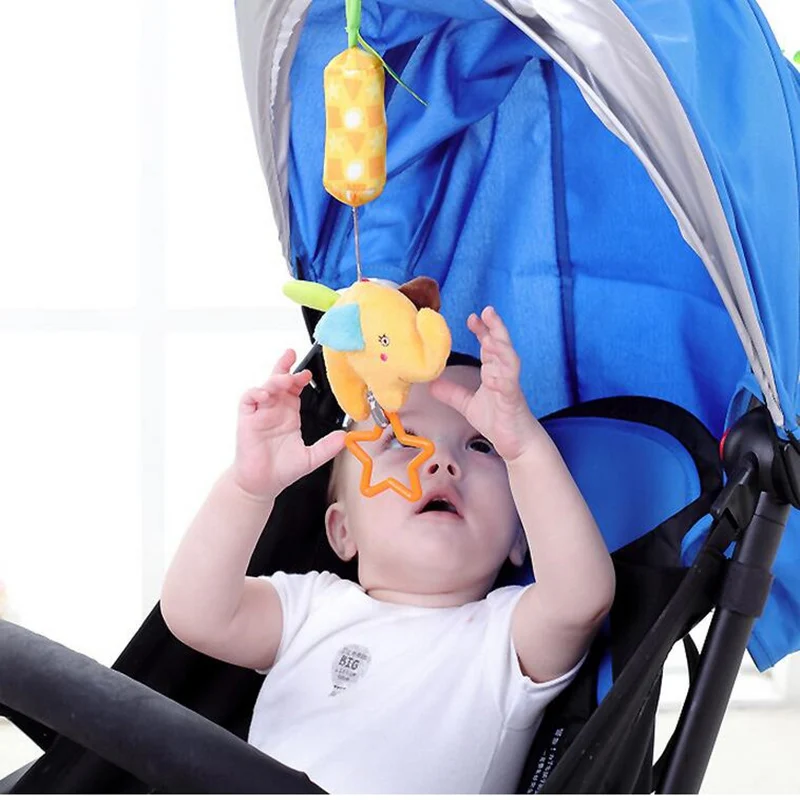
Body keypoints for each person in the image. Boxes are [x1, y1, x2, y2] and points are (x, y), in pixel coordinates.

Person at [160, 306, 615, 793]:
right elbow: (196, 613)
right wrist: (247, 490)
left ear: (521, 539)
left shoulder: (503, 640)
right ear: (343, 531)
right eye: (402, 441)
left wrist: (522, 447)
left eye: (482, 446)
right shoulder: (310, 609)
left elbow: (580, 599)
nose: (440, 462)